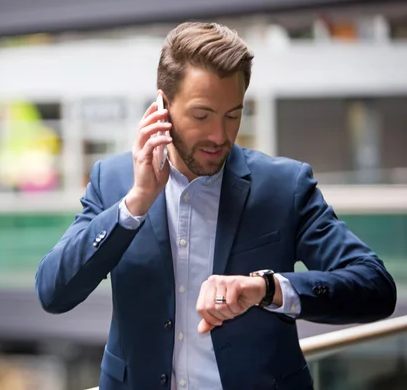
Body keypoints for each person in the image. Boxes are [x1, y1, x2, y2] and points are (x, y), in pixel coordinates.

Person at [35, 22, 397, 389]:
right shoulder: (113, 181)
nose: (219, 136)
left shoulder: (284, 187)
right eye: (202, 115)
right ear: (162, 106)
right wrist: (135, 204)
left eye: (233, 115)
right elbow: (53, 291)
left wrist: (267, 289)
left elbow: (375, 286)